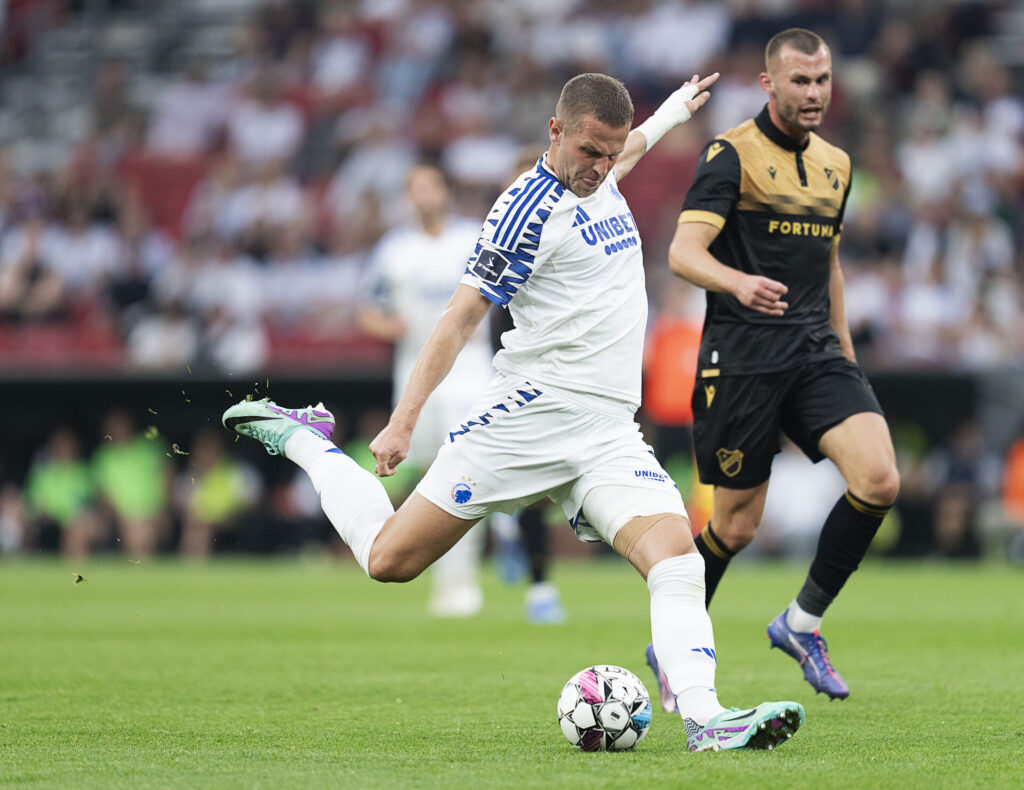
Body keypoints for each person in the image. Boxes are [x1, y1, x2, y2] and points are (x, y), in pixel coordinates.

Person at [224, 71, 806, 751]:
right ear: (555, 132)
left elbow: (636, 144)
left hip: (607, 430)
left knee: (677, 560)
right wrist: (405, 420)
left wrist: (675, 108)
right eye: (590, 151)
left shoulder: (608, 167)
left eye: (610, 153)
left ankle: (708, 720)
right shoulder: (525, 208)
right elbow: (459, 315)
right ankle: (305, 438)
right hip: (529, 420)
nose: (601, 167)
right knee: (389, 561)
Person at [648, 28, 900, 706]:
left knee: (879, 477)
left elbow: (831, 266)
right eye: (800, 81)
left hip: (815, 351)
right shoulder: (731, 155)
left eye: (822, 81)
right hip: (744, 359)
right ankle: (674, 643)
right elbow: (683, 253)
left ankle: (801, 622)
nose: (814, 93)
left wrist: (846, 356)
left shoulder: (837, 166)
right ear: (769, 84)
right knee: (735, 526)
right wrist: (737, 283)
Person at [358, 162, 492, 617]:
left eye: (430, 187)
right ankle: (427, 568)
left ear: (446, 192)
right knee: (423, 476)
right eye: (414, 189)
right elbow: (367, 310)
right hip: (416, 375)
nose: (423, 197)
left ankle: (461, 581)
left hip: (470, 372)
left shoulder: (473, 236)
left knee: (461, 475)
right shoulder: (393, 250)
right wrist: (389, 325)